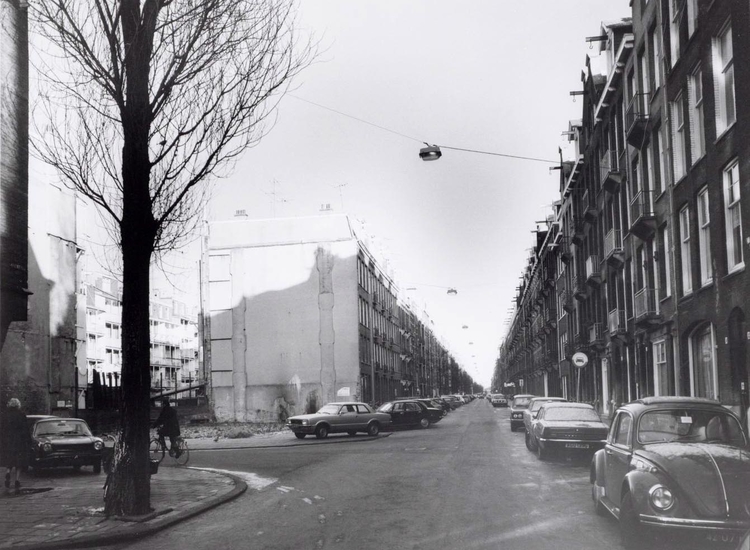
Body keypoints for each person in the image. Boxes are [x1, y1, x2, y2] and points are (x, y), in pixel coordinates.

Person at [0, 398, 31, 494]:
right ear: (18, 405)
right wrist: (28, 441)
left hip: (8, 441)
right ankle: (17, 480)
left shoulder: (4, 416)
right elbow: (26, 429)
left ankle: (8, 472)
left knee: (10, 459)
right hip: (19, 442)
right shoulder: (21, 415)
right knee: (19, 462)